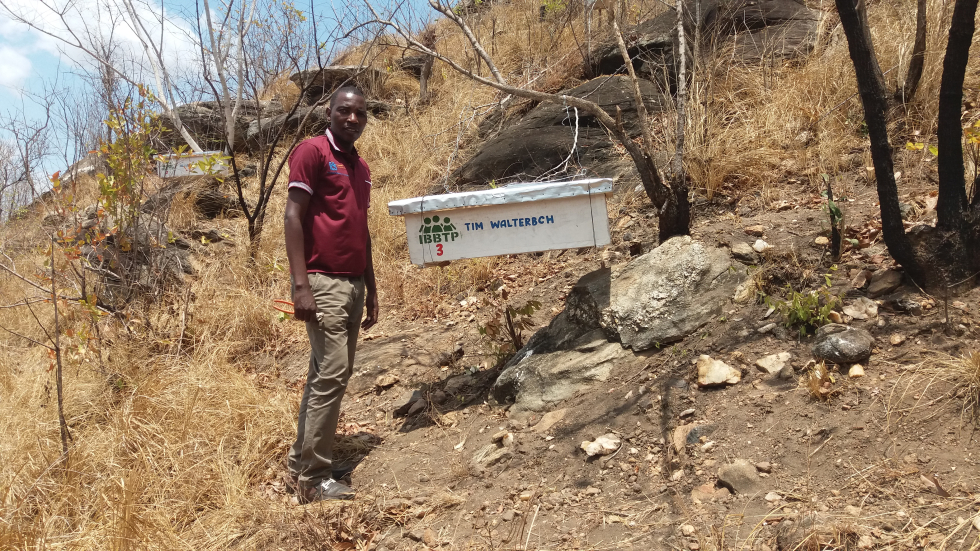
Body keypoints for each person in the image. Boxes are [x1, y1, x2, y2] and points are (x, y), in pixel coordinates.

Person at [283, 84, 379, 503]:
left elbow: (361, 228)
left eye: (360, 113)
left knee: (324, 375)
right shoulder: (312, 152)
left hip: (353, 283)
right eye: (345, 111)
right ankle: (314, 478)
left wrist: (372, 286)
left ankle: (300, 464)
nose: (352, 118)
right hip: (322, 281)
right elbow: (292, 216)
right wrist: (301, 285)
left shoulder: (361, 167)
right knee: (333, 373)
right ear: (329, 111)